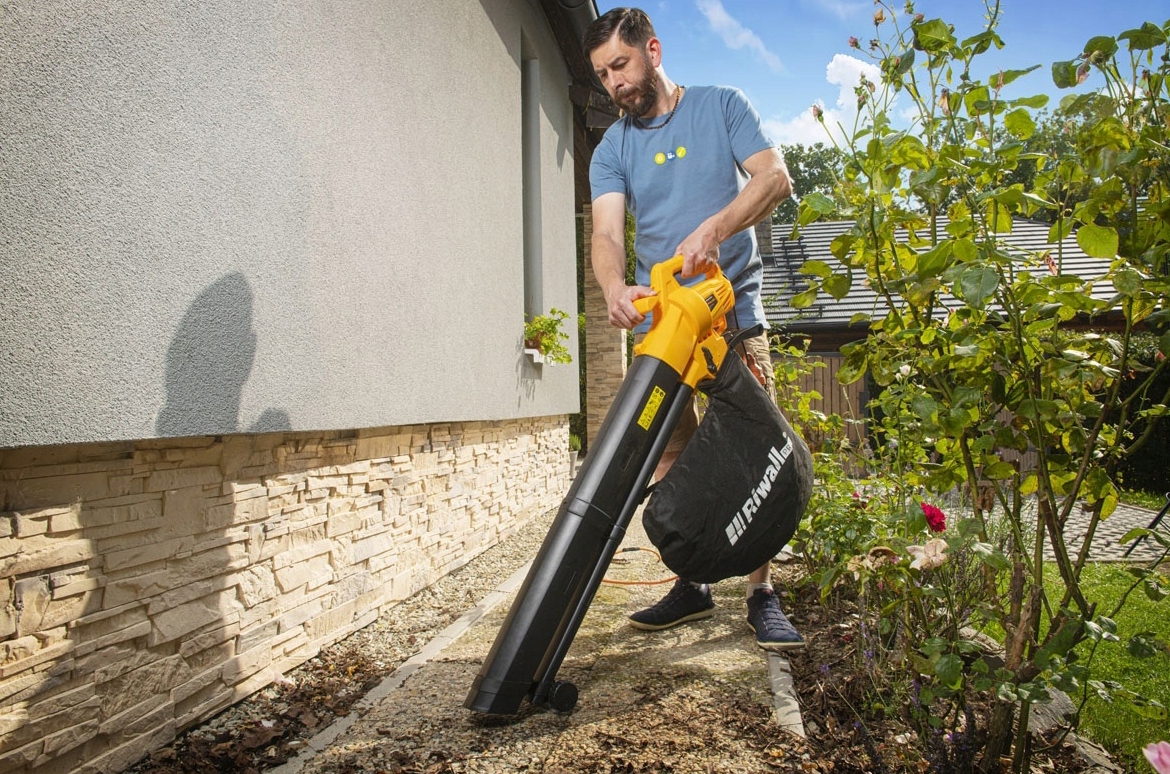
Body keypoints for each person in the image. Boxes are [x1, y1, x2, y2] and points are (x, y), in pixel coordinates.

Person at [583, 7, 803, 652]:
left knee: (752, 447)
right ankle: (692, 582)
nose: (615, 84)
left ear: (652, 50)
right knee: (669, 453)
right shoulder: (614, 147)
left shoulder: (721, 106)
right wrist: (613, 287)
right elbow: (603, 233)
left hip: (728, 316)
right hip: (663, 328)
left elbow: (775, 178)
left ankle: (762, 594)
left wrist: (717, 228)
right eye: (602, 75)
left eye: (620, 65)